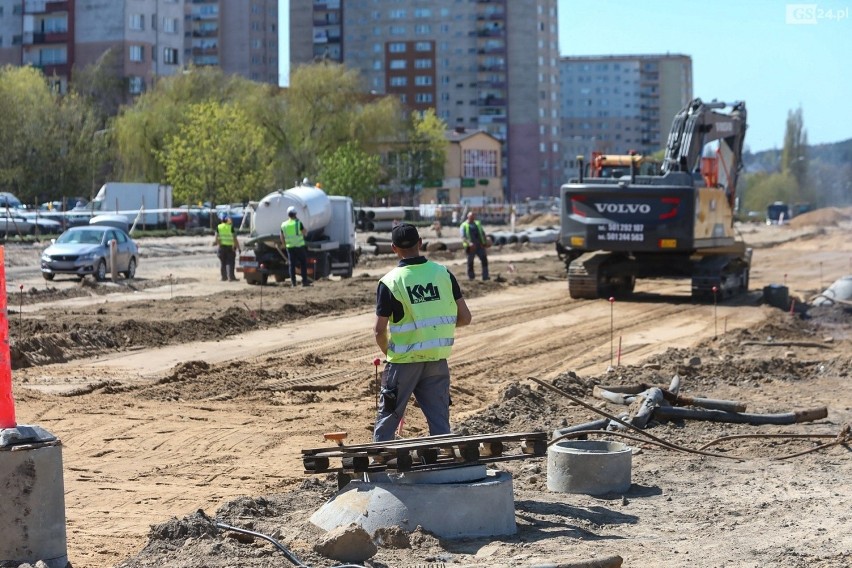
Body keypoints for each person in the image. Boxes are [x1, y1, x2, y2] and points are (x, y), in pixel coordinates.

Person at [372, 223, 472, 442]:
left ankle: (379, 467)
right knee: (440, 422)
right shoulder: (443, 273)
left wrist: (389, 352)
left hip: (403, 361)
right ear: (420, 243)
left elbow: (379, 330)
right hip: (437, 359)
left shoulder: (390, 281)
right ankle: (443, 469)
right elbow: (465, 317)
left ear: (393, 248)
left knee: (388, 419)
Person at [280, 205, 310, 287]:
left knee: (292, 265)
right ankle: (304, 282)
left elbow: (281, 236)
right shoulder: (298, 223)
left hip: (290, 247)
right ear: (295, 214)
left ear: (288, 214)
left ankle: (293, 283)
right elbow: (305, 233)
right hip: (299, 246)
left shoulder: (283, 225)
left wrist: (283, 244)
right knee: (303, 263)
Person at [460, 212, 489, 281]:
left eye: (473, 217)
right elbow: (463, 237)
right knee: (470, 262)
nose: (473, 218)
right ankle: (471, 277)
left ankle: (485, 276)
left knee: (484, 260)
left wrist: (485, 241)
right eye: (471, 217)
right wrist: (469, 243)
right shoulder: (464, 225)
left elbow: (482, 233)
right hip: (471, 247)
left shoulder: (477, 224)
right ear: (468, 217)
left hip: (479, 246)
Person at [214, 212, 240, 281]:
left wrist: (219, 244)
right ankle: (231, 277)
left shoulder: (218, 227)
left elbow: (216, 238)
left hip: (221, 247)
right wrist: (237, 247)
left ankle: (223, 277)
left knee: (223, 263)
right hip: (230, 247)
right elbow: (234, 238)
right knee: (230, 262)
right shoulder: (230, 227)